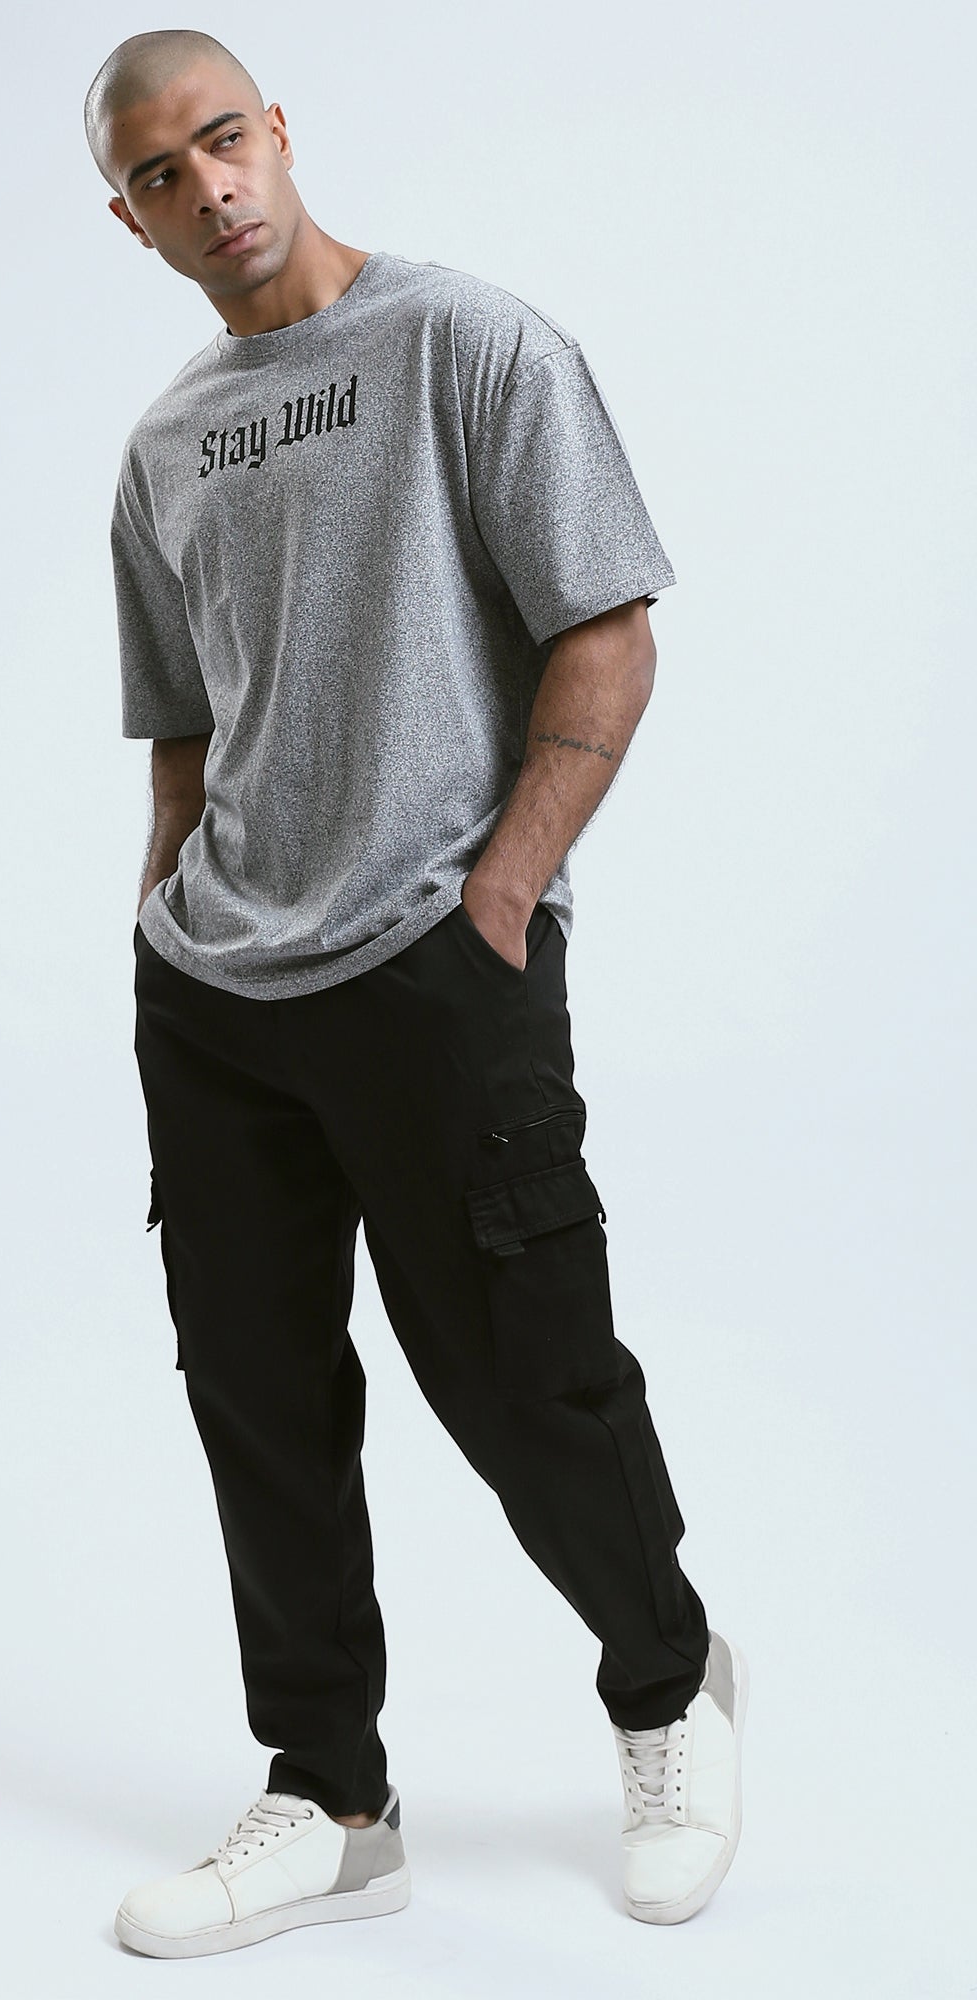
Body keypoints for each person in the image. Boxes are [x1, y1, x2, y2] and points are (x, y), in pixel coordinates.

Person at [85, 27, 749, 1962]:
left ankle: (669, 1683)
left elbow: (607, 630)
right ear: (128, 220)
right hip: (219, 994)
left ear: (279, 131)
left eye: (224, 140)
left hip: (435, 963)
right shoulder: (163, 448)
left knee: (525, 1371)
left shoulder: (469, 344)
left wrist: (504, 894)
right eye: (159, 174)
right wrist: (156, 925)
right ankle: (331, 1798)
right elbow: (183, 732)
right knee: (258, 1398)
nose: (208, 187)